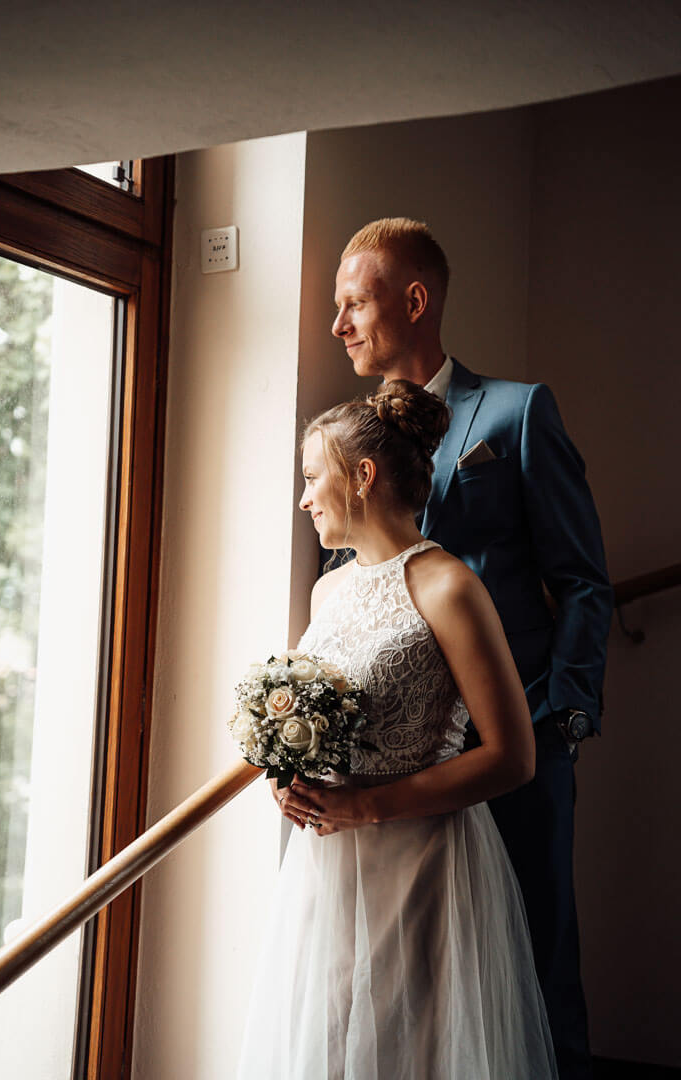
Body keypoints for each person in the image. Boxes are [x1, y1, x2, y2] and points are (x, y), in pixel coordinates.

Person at [328, 217, 614, 1080]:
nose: (338, 326)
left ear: (414, 301)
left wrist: (562, 712)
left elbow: (584, 581)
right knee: (408, 977)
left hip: (515, 734)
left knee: (532, 956)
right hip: (403, 756)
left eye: (353, 304)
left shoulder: (517, 412)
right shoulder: (348, 440)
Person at [237, 379, 558, 1079]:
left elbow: (512, 757)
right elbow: (311, 717)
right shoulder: (329, 589)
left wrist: (368, 805)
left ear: (363, 476)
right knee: (326, 1042)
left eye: (311, 477)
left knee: (409, 1048)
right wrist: (287, 780)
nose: (304, 498)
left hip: (420, 865)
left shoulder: (447, 586)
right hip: (325, 865)